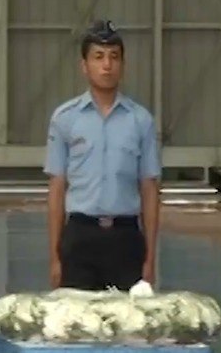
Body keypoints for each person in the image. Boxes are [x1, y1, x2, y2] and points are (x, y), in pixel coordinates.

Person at [44, 20, 160, 291]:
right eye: (98, 57)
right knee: (77, 315)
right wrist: (54, 257)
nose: (107, 65)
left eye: (114, 57)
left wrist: (150, 259)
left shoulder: (140, 120)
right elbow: (57, 189)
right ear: (84, 66)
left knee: (128, 317)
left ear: (123, 65)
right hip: (80, 238)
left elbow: (149, 189)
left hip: (126, 239)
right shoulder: (65, 118)